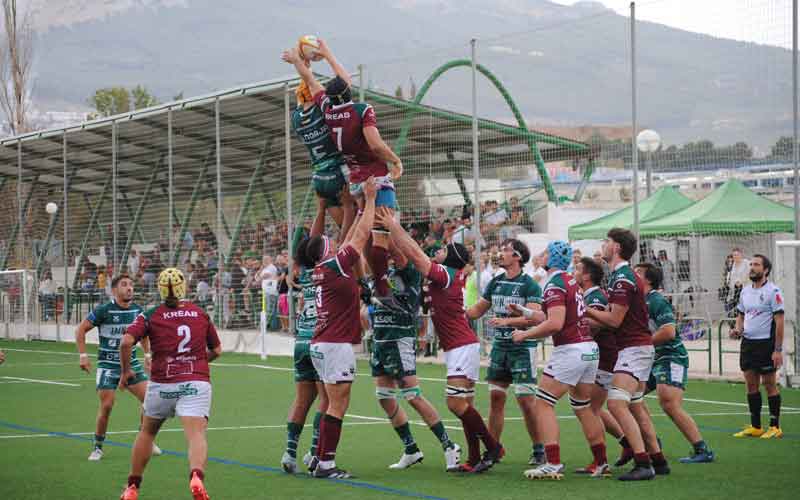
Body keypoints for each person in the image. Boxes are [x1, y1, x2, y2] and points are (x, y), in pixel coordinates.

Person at [376, 208, 502, 474]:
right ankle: (475, 457)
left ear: (452, 258)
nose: (439, 251)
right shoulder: (448, 276)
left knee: (455, 404)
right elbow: (412, 255)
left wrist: (394, 226)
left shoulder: (447, 274)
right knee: (464, 404)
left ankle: (493, 447)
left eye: (445, 249)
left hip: (461, 345)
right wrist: (392, 235)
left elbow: (418, 258)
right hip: (460, 345)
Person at [283, 40, 403, 305]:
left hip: (332, 176)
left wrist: (298, 62)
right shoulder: (360, 110)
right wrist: (395, 160)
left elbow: (311, 80)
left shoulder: (321, 112)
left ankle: (354, 274)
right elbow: (375, 144)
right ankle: (382, 286)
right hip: (360, 176)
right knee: (380, 231)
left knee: (359, 231)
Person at [118, 268, 222, 500]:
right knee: (196, 434)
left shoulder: (151, 314)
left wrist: (125, 372)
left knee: (147, 431)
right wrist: (198, 363)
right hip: (195, 382)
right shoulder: (200, 313)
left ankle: (132, 487)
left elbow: (126, 342)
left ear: (161, 289)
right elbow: (217, 350)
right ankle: (196, 476)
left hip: (162, 383)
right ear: (184, 286)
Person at [511, 241, 607, 480]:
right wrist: (525, 312)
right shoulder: (569, 280)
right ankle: (601, 461)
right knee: (583, 406)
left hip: (571, 350)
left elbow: (555, 323)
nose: (540, 256)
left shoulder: (554, 283)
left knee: (543, 403)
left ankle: (552, 462)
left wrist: (524, 334)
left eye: (544, 252)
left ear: (551, 257)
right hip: (588, 349)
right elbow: (552, 315)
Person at [305, 177, 378, 479]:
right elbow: (359, 238)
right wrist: (370, 200)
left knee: (330, 402)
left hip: (322, 342)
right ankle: (326, 463)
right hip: (334, 343)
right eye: (330, 242)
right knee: (339, 402)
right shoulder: (334, 266)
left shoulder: (322, 269)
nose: (337, 242)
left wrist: (355, 207)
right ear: (325, 250)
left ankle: (317, 456)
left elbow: (350, 238)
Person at [369, 243, 462, 471]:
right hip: (380, 339)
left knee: (412, 395)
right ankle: (411, 449)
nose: (391, 253)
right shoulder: (384, 274)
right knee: (384, 396)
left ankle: (449, 445)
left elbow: (397, 252)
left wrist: (387, 229)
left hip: (399, 339)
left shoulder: (409, 270)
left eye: (394, 251)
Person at [584, 228, 665, 481]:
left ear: (617, 247)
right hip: (635, 348)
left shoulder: (623, 278)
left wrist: (584, 309)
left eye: (607, 241)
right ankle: (659, 461)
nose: (603, 245)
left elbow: (615, 320)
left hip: (634, 349)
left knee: (617, 404)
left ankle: (642, 463)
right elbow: (614, 318)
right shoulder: (621, 277)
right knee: (636, 406)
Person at [465, 239, 544, 466]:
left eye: (506, 250)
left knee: (526, 401)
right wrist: (455, 311)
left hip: (522, 348)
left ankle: (539, 449)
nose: (501, 253)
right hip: (499, 348)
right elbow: (477, 310)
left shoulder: (530, 285)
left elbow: (535, 317)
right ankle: (493, 448)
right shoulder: (496, 282)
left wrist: (507, 321)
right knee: (496, 398)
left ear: (517, 257)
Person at [75, 274, 161, 462]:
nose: (129, 288)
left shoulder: (138, 311)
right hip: (108, 365)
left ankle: (145, 440)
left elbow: (144, 334)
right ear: (114, 290)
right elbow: (80, 329)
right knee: (107, 406)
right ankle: (97, 447)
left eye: (131, 285)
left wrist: (147, 355)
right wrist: (83, 356)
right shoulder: (104, 310)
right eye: (124, 285)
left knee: (150, 400)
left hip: (131, 365)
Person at [635, 262, 715, 463]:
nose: (632, 275)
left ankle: (702, 449)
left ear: (649, 280)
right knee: (629, 397)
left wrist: (642, 343)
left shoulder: (656, 300)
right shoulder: (636, 301)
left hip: (671, 356)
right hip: (651, 358)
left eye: (637, 273)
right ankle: (653, 441)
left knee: (669, 402)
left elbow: (669, 332)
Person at [289, 46, 355, 238]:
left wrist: (301, 63)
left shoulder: (296, 118)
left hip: (320, 180)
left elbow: (307, 84)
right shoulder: (324, 111)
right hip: (339, 173)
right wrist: (325, 55)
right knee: (356, 231)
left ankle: (342, 258)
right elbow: (343, 84)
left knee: (345, 229)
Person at [573, 256, 626, 475]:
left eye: (577, 269)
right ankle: (629, 443)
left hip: (604, 360)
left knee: (589, 409)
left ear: (586, 276)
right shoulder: (589, 295)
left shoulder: (594, 297)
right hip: (600, 359)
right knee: (592, 408)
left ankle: (601, 461)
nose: (573, 272)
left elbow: (593, 326)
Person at [280, 238, 328, 474]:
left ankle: (289, 452)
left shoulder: (304, 274)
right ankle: (314, 452)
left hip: (300, 341)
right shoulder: (325, 271)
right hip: (318, 341)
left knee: (301, 400)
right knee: (326, 400)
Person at [730, 254, 785, 439]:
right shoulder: (745, 291)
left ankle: (775, 426)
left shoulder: (773, 291)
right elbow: (741, 314)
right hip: (748, 343)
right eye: (751, 264)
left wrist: (777, 350)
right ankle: (756, 426)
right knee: (750, 384)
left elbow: (780, 322)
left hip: (766, 344)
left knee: (769, 384)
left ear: (766, 270)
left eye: (756, 265)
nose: (752, 267)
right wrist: (737, 329)